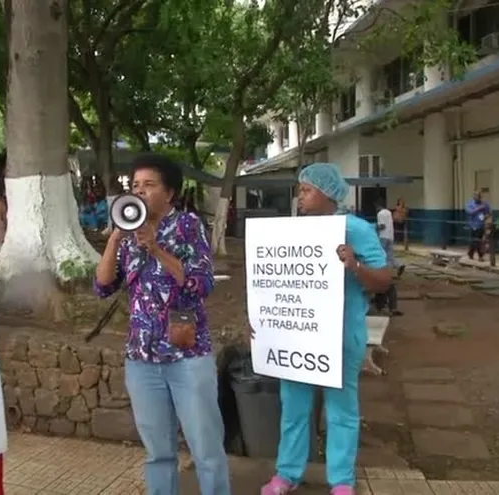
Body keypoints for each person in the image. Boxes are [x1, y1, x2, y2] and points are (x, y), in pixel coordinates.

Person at [94, 152, 231, 495]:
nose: (139, 192)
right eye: (135, 185)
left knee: (206, 449)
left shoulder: (187, 226)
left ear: (169, 193)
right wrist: (114, 239)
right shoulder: (126, 236)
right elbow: (102, 286)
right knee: (158, 453)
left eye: (148, 185)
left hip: (187, 355)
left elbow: (202, 284)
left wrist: (155, 248)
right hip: (142, 359)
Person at [258, 163, 391, 495]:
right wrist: (264, 317)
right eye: (299, 190)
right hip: (298, 334)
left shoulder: (356, 230)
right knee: (294, 407)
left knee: (341, 409)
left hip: (341, 335)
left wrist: (354, 265)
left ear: (328, 193)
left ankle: (341, 481)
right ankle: (287, 473)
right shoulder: (291, 232)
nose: (299, 197)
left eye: (306, 190)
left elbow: (384, 280)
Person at [375, 200, 404, 278]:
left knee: (381, 254)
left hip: (383, 236)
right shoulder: (389, 212)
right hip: (390, 236)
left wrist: (374, 228)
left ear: (378, 206)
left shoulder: (380, 214)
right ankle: (398, 266)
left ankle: (382, 271)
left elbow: (382, 226)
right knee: (389, 255)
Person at [464, 190, 490, 262]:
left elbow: (488, 213)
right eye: (476, 196)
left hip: (482, 225)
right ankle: (479, 255)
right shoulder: (469, 204)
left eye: (479, 196)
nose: (478, 198)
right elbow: (470, 212)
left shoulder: (485, 204)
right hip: (473, 225)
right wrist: (479, 208)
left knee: (479, 241)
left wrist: (486, 216)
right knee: (476, 241)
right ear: (473, 197)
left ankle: (471, 253)